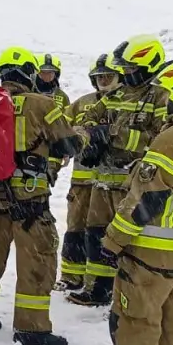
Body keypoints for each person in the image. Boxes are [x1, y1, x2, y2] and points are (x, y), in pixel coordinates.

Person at [89, 57, 173, 345]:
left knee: (139, 320)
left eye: (170, 93)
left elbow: (144, 199)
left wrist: (112, 242)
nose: (166, 100)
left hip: (149, 254)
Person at [0, 47, 84, 345]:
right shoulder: (42, 104)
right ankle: (31, 328)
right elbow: (68, 145)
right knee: (37, 261)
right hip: (29, 203)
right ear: (29, 74)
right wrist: (84, 134)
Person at [70, 35, 171, 307]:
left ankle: (129, 293)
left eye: (130, 69)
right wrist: (88, 138)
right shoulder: (117, 94)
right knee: (96, 235)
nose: (125, 74)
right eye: (123, 70)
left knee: (131, 239)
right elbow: (88, 118)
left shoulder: (162, 97)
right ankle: (97, 290)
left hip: (133, 185)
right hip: (102, 181)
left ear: (148, 65)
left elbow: (159, 140)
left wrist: (113, 134)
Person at [56, 55, 116, 292]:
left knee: (102, 233)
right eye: (99, 77)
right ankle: (71, 276)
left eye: (108, 76)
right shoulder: (82, 103)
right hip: (82, 182)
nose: (103, 80)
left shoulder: (124, 104)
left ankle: (100, 283)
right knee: (75, 229)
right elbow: (61, 128)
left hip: (111, 184)